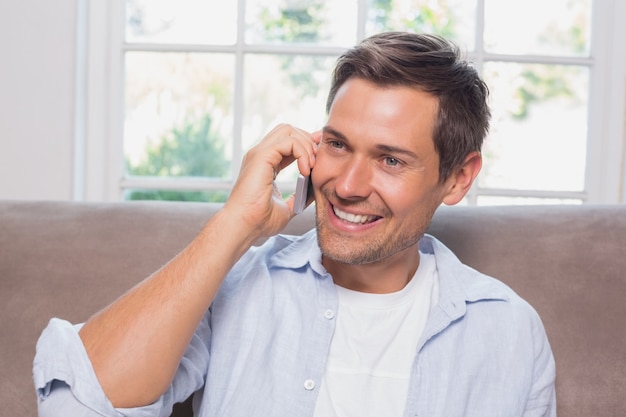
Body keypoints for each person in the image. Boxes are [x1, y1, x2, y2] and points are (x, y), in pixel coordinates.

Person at [33, 32, 556, 417]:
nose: (348, 184)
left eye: (391, 160)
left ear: (458, 178)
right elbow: (76, 405)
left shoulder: (508, 331)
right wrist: (236, 223)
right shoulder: (236, 286)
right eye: (337, 144)